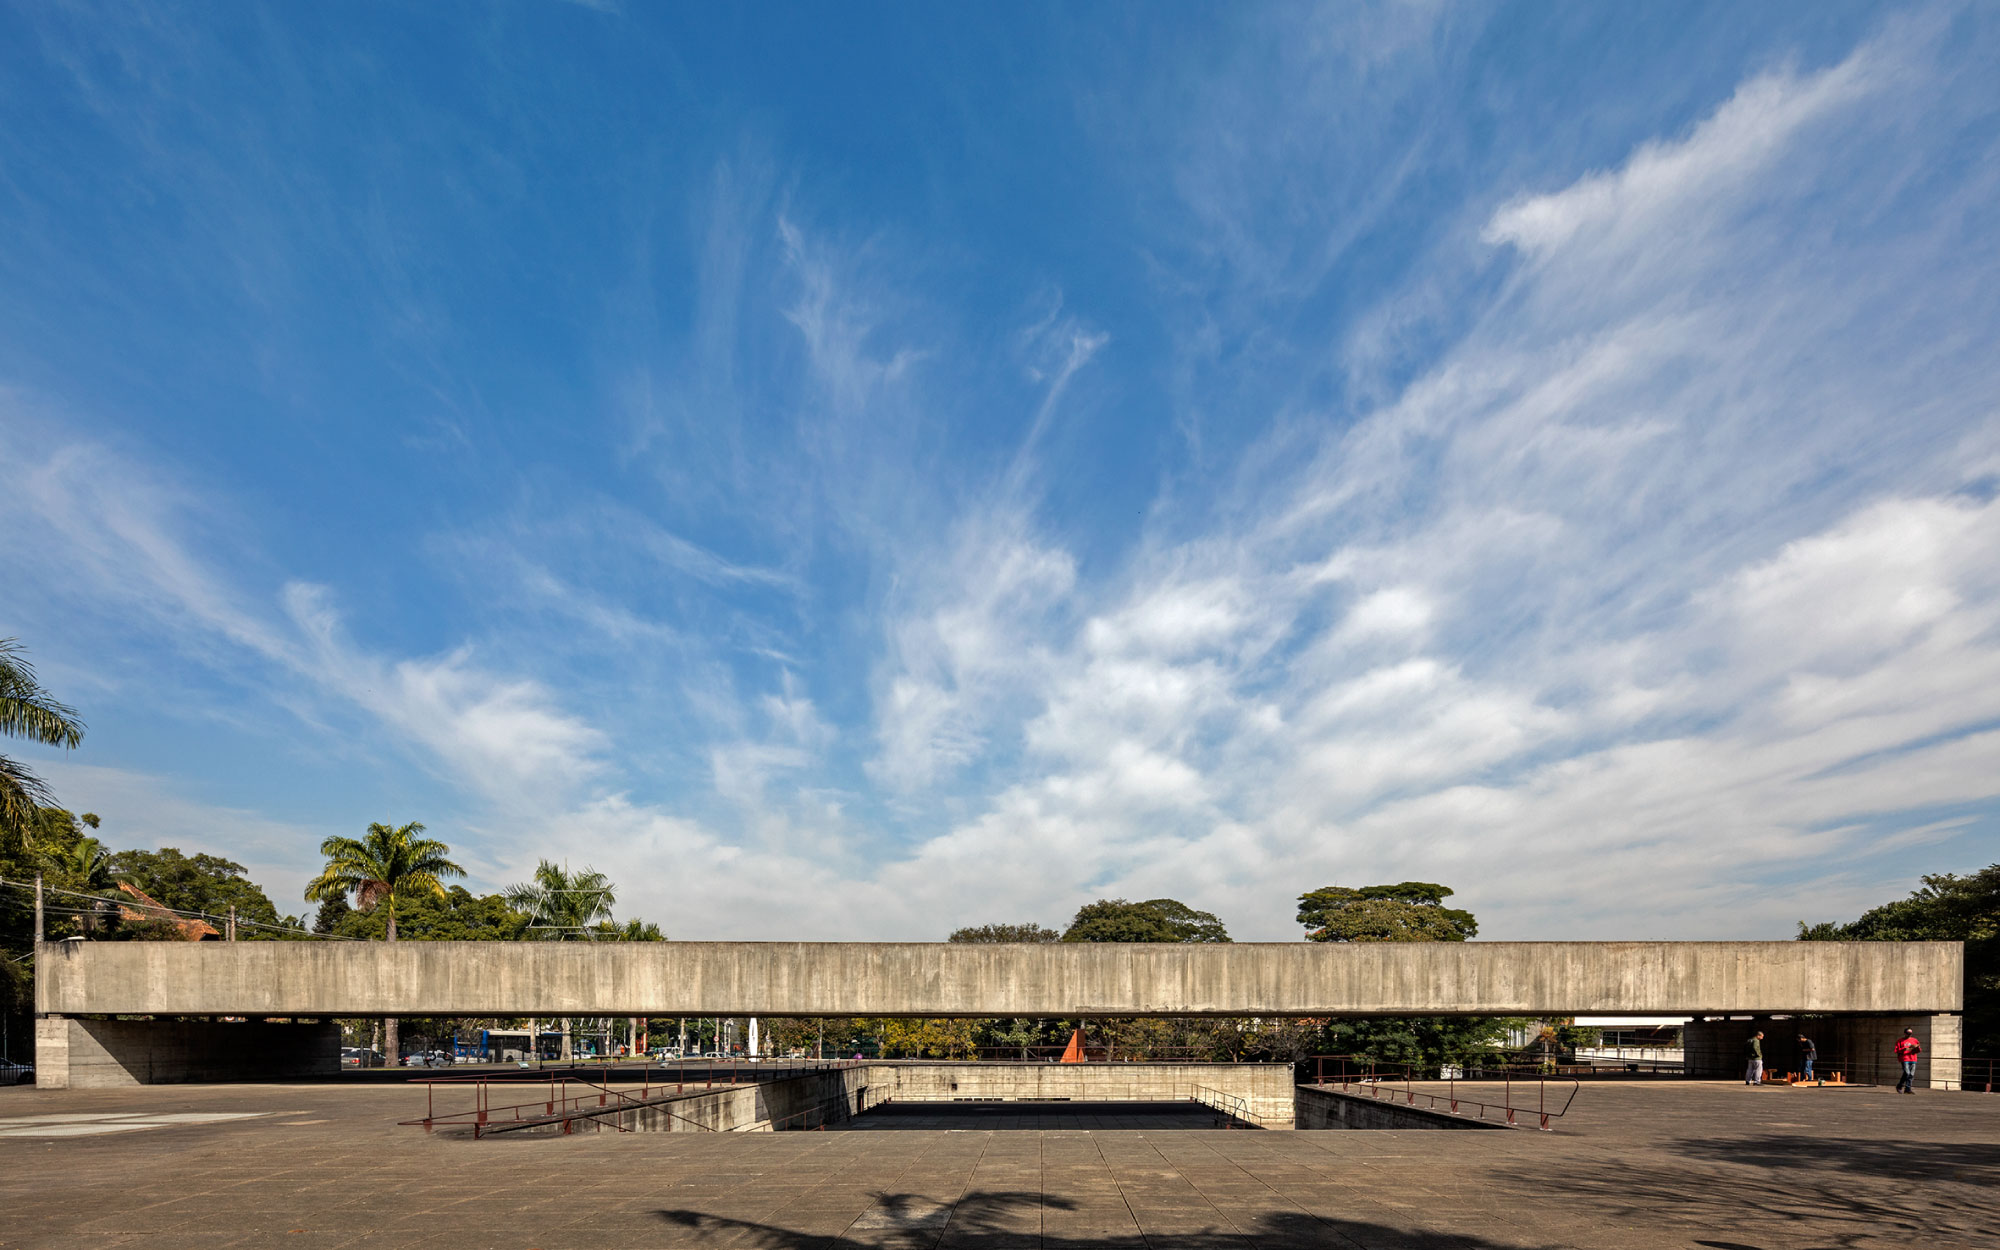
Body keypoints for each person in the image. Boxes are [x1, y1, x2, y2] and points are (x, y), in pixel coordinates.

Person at [1895, 1028, 1922, 1094]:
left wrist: (1916, 1047)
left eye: (1910, 1033)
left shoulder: (1914, 1040)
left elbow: (1919, 1050)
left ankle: (1907, 1089)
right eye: (1908, 1033)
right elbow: (1896, 1050)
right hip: (1904, 1058)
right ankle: (1900, 1086)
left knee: (1911, 1074)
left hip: (1913, 1059)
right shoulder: (1900, 1041)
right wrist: (1904, 1049)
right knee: (1907, 1073)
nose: (1909, 1035)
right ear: (1905, 1033)